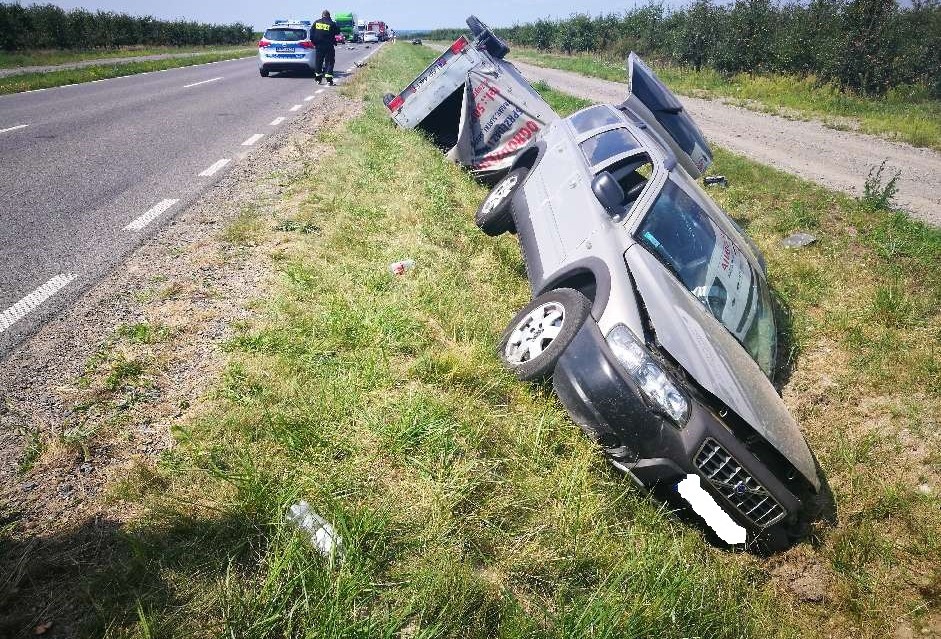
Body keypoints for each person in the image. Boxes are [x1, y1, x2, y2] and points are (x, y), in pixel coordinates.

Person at [310, 10, 340, 85]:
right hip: (328, 46)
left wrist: (314, 43)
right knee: (329, 62)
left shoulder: (316, 22)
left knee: (318, 62)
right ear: (329, 16)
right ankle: (329, 80)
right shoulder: (331, 23)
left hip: (319, 46)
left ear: (322, 15)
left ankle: (318, 79)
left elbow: (311, 34)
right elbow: (337, 32)